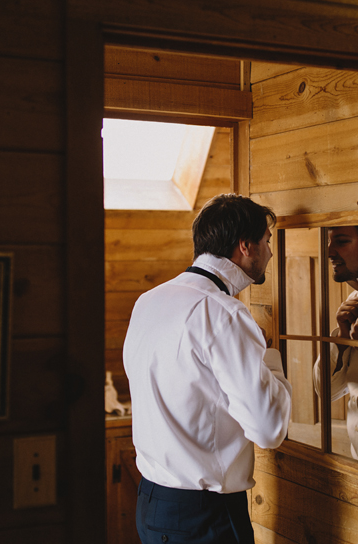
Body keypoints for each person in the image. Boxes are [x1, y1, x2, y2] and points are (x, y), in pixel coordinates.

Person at [123, 193, 292, 544]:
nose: (270, 252)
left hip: (152, 505)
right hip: (203, 516)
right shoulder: (224, 314)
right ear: (245, 246)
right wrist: (269, 357)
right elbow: (269, 428)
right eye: (267, 241)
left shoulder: (148, 301)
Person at [312, 225, 358, 462]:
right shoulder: (353, 303)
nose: (329, 252)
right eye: (329, 242)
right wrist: (342, 342)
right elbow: (326, 392)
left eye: (342, 241)